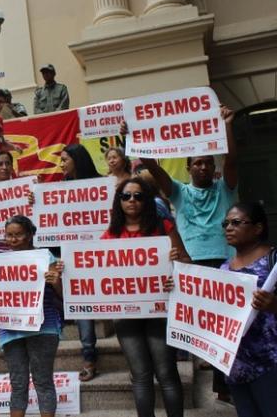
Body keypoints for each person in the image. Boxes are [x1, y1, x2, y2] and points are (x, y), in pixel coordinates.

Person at [126, 104, 237, 401]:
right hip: (190, 265)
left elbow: (232, 160)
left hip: (225, 263)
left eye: (207, 163)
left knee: (223, 327)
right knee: (197, 325)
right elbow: (154, 168)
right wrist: (135, 140)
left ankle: (222, 385)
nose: (203, 167)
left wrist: (227, 125)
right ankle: (191, 366)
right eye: (197, 163)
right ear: (188, 168)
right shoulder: (179, 192)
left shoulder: (225, 190)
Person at [101, 177, 190, 417]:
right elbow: (97, 272)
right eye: (126, 196)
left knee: (166, 374)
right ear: (118, 201)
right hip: (126, 314)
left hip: (160, 312)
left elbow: (187, 263)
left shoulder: (163, 227)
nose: (132, 200)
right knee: (140, 376)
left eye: (138, 196)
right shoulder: (111, 234)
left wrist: (176, 266)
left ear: (147, 201)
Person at [0, 215, 63, 417]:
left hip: (43, 327)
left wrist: (56, 281)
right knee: (17, 382)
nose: (13, 239)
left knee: (43, 380)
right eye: (9, 235)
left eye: (18, 234)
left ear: (29, 235)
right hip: (11, 329)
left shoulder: (46, 258)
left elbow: (64, 295)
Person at [219, 202, 277, 417]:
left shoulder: (273, 263)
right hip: (236, 366)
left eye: (236, 222)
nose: (228, 228)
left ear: (258, 228)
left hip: (270, 364)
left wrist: (274, 306)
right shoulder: (224, 268)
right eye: (226, 223)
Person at [57, 143, 101, 380]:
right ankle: (89, 357)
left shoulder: (101, 184)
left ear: (77, 159)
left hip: (102, 256)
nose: (61, 164)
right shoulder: (60, 189)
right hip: (75, 257)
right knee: (82, 305)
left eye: (65, 159)